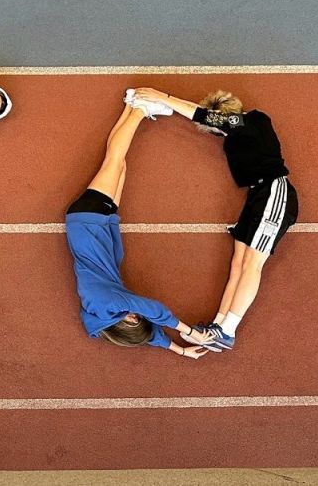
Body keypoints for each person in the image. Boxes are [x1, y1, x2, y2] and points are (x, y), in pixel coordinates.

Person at [128, 87, 299, 351]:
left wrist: (162, 98)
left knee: (252, 263)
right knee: (238, 263)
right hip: (256, 197)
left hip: (275, 193)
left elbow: (208, 117)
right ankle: (218, 326)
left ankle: (228, 330)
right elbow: (211, 121)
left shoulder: (253, 119)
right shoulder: (233, 133)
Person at [65, 100, 217, 358]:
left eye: (132, 321)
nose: (135, 316)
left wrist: (189, 331)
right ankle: (131, 104)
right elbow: (149, 335)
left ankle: (139, 110)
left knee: (114, 161)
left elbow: (152, 309)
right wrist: (180, 350)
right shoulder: (99, 317)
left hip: (90, 222)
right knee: (118, 163)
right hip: (99, 226)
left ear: (119, 325)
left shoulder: (106, 304)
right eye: (138, 320)